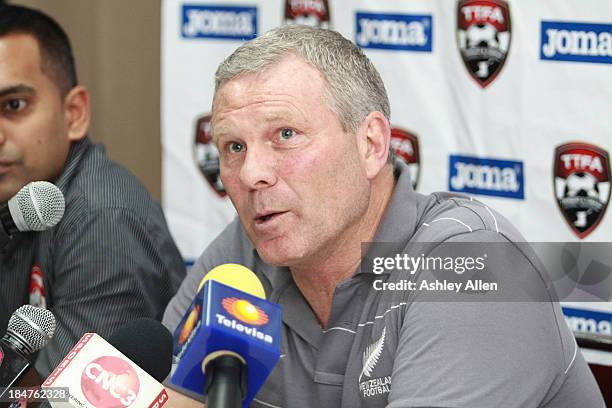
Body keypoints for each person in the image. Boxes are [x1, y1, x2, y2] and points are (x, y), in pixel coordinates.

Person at [163, 25, 604, 407]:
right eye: (234, 147)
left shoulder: (475, 262)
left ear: (371, 144)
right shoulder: (244, 251)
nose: (252, 174)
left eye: (285, 135)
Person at [0, 4, 186, 376]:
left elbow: (56, 398)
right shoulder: (17, 198)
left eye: (14, 105)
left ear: (74, 113)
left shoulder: (104, 221)